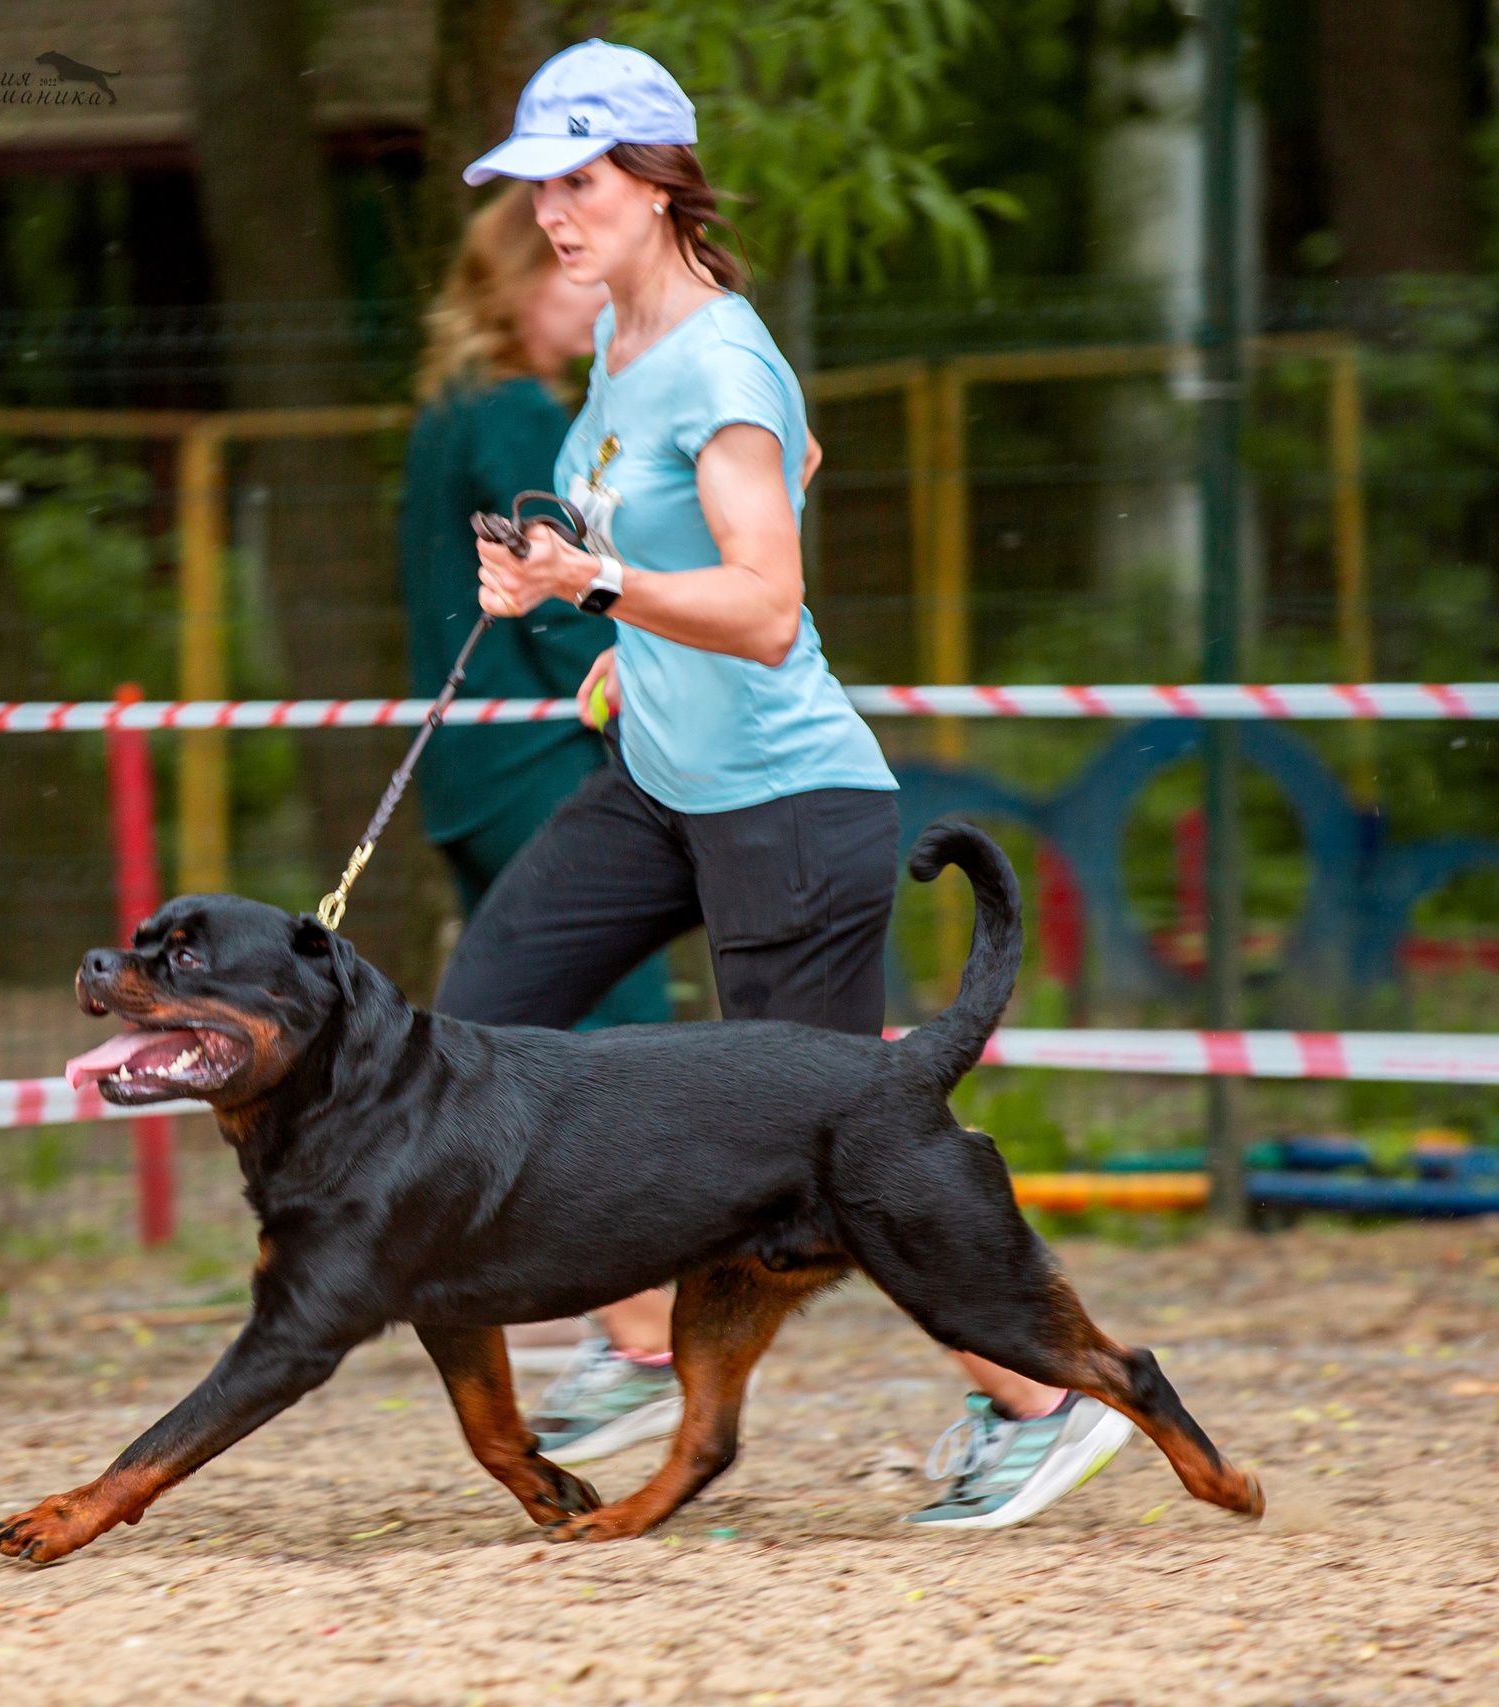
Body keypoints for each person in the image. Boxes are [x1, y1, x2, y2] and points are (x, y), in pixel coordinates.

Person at [441, 41, 1133, 1528]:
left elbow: (763, 605)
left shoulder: (720, 351)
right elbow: (789, 462)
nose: (551, 215)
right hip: (661, 781)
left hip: (788, 804)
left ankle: (1043, 1398)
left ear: (657, 181)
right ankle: (632, 1334)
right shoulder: (632, 345)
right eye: (536, 188)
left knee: (828, 1162)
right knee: (479, 1020)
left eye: (577, 180)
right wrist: (626, 646)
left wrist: (606, 587)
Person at [399, 182, 670, 1037]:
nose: (601, 301)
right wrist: (643, 689)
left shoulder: (449, 408)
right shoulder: (514, 412)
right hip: (538, 764)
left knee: (509, 1038)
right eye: (579, 277)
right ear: (525, 283)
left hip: (467, 770)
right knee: (623, 1030)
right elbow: (564, 598)